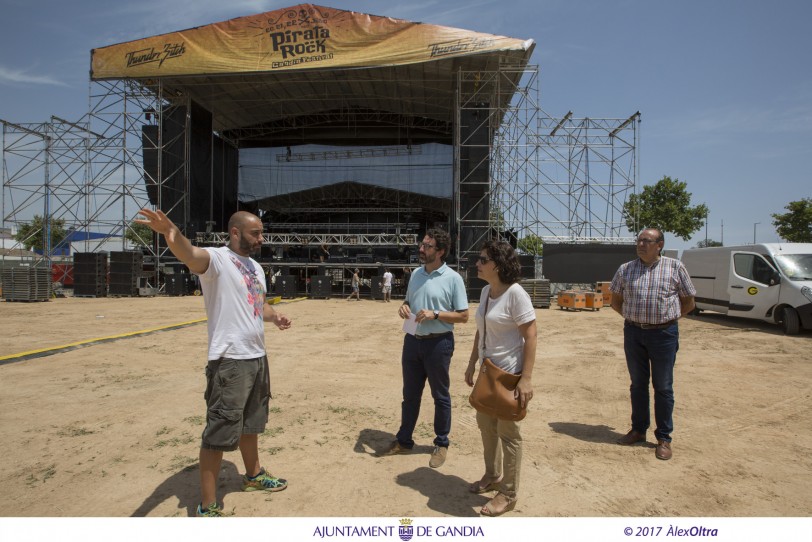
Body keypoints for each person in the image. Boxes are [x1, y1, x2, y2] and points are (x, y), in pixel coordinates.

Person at [135, 208, 291, 517]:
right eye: (255, 233)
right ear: (235, 233)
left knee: (251, 424)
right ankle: (208, 506)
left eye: (261, 233)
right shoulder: (217, 260)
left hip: (256, 357)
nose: (261, 238)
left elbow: (258, 303)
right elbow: (190, 255)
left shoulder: (256, 268)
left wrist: (275, 318)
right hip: (230, 362)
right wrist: (172, 234)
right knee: (219, 433)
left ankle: (253, 475)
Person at [379, 228, 469, 468]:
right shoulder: (416, 274)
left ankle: (441, 443)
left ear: (440, 251)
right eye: (422, 245)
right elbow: (409, 301)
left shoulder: (453, 278)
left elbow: (463, 316)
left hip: (439, 343)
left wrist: (436, 314)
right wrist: (403, 307)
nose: (421, 249)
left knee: (440, 396)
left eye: (427, 246)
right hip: (412, 342)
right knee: (409, 395)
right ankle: (404, 440)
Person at [609, 228, 696, 461]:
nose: (641, 244)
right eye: (638, 240)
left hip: (664, 334)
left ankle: (664, 437)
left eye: (646, 241)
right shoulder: (626, 269)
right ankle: (638, 430)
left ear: (660, 244)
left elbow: (688, 302)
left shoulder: (675, 267)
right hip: (634, 332)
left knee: (663, 386)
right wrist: (636, 319)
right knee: (637, 384)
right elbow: (615, 301)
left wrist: (668, 320)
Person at [464, 240, 537, 516]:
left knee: (509, 434)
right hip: (487, 373)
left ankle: (508, 493)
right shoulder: (485, 292)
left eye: (482, 260)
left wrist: (526, 379)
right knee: (486, 425)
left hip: (509, 375)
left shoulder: (516, 294)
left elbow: (530, 335)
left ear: (497, 264)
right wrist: (472, 362)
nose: (477, 264)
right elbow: (480, 330)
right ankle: (492, 474)